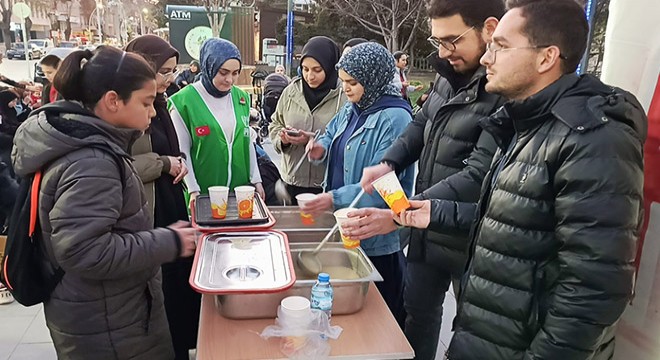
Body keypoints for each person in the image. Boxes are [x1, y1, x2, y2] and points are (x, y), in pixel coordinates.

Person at [394, 0, 645, 358]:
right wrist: (435, 213)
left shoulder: (594, 141)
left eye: (501, 46)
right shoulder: (524, 125)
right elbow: (514, 223)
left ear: (546, 57)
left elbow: (594, 290)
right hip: (486, 339)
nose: (486, 58)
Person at [11, 46, 198, 359]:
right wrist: (169, 241)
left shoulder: (87, 143)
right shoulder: (92, 161)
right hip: (107, 327)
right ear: (113, 101)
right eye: (146, 103)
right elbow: (86, 250)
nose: (152, 112)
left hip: (107, 313)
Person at [349, 0, 506, 358]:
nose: (444, 51)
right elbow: (421, 124)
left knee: (471, 328)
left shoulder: (501, 86)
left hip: (471, 230)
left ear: (489, 28)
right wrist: (389, 162)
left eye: (452, 40)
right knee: (417, 313)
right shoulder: (447, 76)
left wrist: (399, 213)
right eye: (437, 41)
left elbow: (478, 174)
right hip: (426, 220)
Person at [303, 42, 415, 329]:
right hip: (345, 222)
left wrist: (332, 198)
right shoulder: (353, 107)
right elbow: (330, 134)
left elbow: (383, 186)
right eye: (343, 82)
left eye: (353, 83)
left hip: (375, 232)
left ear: (374, 78)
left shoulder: (395, 117)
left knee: (377, 317)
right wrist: (320, 149)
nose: (346, 89)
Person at [125, 34, 199, 360]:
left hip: (170, 202)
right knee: (160, 290)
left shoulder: (161, 102)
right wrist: (164, 163)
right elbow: (119, 166)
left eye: (172, 70)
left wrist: (178, 159)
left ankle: (181, 346)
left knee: (178, 285)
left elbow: (167, 146)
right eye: (163, 71)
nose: (169, 78)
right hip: (146, 209)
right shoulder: (130, 106)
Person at [169, 38, 265, 204]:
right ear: (209, 66)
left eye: (235, 73)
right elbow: (181, 152)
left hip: (239, 194)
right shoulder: (183, 102)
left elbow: (246, 140)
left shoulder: (241, 98)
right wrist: (193, 190)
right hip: (203, 194)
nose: (229, 80)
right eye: (223, 72)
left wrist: (256, 179)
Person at [268, 36, 345, 203]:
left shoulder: (344, 95)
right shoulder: (290, 92)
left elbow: (347, 138)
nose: (310, 76)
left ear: (331, 67)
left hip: (327, 184)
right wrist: (283, 140)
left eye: (317, 70)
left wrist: (312, 139)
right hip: (292, 180)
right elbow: (275, 123)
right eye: (305, 69)